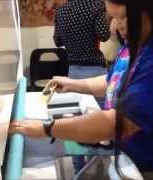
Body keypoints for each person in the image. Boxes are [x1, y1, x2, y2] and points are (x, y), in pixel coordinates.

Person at [10, 0, 153, 178]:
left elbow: (117, 123)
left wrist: (47, 129)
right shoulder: (133, 45)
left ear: (149, 12)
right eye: (113, 17)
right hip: (136, 162)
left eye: (123, 17)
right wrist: (72, 84)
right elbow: (112, 80)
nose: (117, 25)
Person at [53, 0, 110, 171]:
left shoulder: (61, 11)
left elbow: (58, 41)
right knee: (100, 125)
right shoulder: (95, 6)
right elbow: (104, 34)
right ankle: (96, 169)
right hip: (95, 73)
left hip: (72, 73)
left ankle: (79, 168)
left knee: (76, 123)